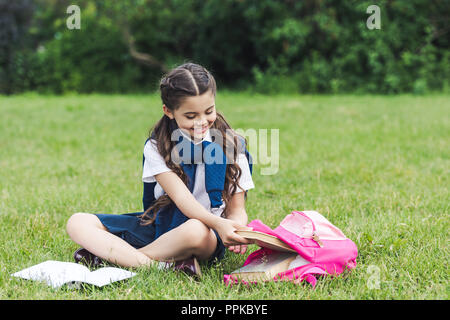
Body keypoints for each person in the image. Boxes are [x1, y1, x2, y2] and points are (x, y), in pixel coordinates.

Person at [66, 62, 255, 278]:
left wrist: (235, 229)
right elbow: (184, 202)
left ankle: (116, 258)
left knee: (195, 229)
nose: (202, 122)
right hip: (163, 226)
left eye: (209, 111)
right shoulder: (158, 145)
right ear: (169, 111)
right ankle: (157, 265)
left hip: (208, 234)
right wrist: (220, 223)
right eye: (191, 116)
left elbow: (236, 209)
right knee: (78, 222)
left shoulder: (233, 145)